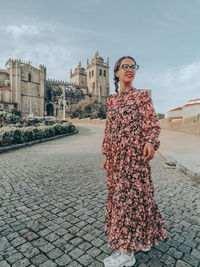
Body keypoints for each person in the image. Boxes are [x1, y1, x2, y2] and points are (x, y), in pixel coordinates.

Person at [102, 56, 168, 267]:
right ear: (116, 72)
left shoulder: (142, 96)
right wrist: (107, 154)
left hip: (135, 159)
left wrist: (150, 141)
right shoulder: (111, 101)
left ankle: (126, 252)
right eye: (125, 66)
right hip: (117, 160)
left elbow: (151, 122)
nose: (130, 69)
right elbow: (109, 130)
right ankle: (140, 240)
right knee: (123, 200)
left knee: (137, 200)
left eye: (133, 66)